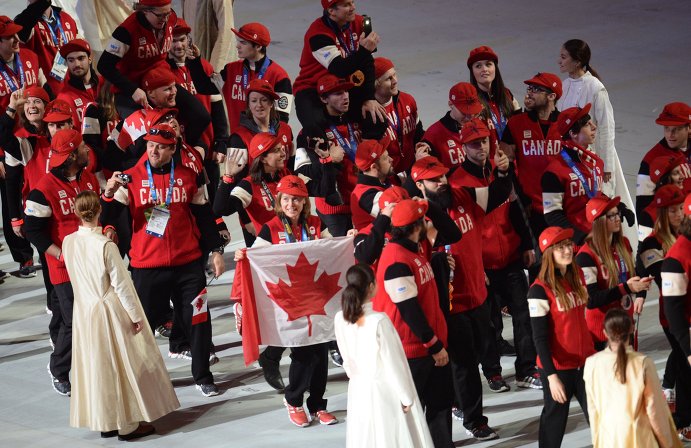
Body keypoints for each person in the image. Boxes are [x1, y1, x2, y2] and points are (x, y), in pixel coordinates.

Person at [101, 122, 225, 397]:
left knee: (199, 319)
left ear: (173, 149)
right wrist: (108, 194)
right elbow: (106, 218)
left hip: (188, 263)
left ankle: (203, 375)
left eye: (160, 147)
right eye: (150, 145)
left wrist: (216, 250)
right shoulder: (130, 178)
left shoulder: (189, 175)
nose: (154, 151)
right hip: (147, 266)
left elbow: (204, 217)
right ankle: (138, 379)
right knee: (140, 327)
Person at [64, 191, 179, 441]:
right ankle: (128, 425)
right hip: (109, 311)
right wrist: (136, 316)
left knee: (97, 367)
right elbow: (122, 286)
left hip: (84, 312)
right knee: (122, 366)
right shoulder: (105, 245)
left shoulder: (68, 242)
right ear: (99, 211)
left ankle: (106, 421)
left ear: (76, 212)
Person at [235, 175, 340, 427]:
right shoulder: (270, 228)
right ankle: (293, 400)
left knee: (321, 353)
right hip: (290, 304)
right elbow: (257, 257)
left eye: (296, 199)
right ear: (279, 202)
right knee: (303, 353)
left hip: (317, 300)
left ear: (305, 202)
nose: (291, 204)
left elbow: (332, 250)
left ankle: (317, 405)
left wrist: (347, 238)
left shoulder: (316, 223)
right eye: (286, 199)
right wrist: (243, 255)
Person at [449, 117, 541, 389]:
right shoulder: (456, 182)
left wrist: (526, 244)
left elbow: (516, 209)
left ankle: (526, 368)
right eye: (475, 144)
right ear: (464, 147)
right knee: (489, 324)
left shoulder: (500, 170)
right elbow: (461, 233)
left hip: (511, 257)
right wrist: (474, 264)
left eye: (485, 141)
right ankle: (493, 372)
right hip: (482, 265)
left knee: (524, 314)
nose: (482, 148)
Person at [373, 198, 454, 448]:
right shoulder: (397, 260)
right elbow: (409, 310)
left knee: (440, 406)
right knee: (410, 416)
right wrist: (434, 345)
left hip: (427, 347)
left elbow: (453, 232)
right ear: (416, 227)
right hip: (414, 353)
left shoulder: (411, 251)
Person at [23, 128, 99, 396]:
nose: (87, 149)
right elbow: (32, 230)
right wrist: (60, 254)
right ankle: (59, 369)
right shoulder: (42, 190)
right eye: (82, 147)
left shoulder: (88, 178)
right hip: (64, 270)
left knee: (95, 319)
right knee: (73, 322)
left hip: (92, 264)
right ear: (71, 156)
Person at [335, 263, 434, 448]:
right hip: (385, 392)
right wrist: (406, 396)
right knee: (390, 438)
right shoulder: (379, 321)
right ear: (371, 287)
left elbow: (345, 357)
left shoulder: (340, 318)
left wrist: (356, 377)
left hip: (358, 389)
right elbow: (394, 363)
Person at [557, 39, 636, 247]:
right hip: (570, 158)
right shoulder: (564, 86)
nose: (559, 61)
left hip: (594, 159)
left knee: (600, 206)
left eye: (564, 57)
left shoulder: (596, 88)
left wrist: (607, 165)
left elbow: (607, 129)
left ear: (577, 61)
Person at [528, 226, 595, 447]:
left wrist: (624, 289)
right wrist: (551, 376)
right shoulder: (538, 290)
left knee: (599, 418)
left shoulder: (577, 278)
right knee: (554, 423)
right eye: (560, 248)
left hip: (585, 363)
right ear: (549, 254)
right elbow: (539, 338)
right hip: (559, 368)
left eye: (568, 245)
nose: (567, 250)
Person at [583, 309, 681, 448]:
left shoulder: (592, 363)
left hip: (608, 438)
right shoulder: (642, 362)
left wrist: (597, 441)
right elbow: (655, 410)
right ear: (631, 330)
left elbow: (593, 410)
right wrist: (668, 443)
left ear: (605, 333)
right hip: (640, 438)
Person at [293, 0, 384, 140]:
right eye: (347, 5)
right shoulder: (318, 34)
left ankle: (367, 158)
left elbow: (368, 64)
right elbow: (339, 68)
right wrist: (364, 51)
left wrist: (369, 98)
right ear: (331, 11)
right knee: (314, 127)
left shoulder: (360, 23)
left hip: (344, 86)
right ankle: (325, 160)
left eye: (353, 2)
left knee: (375, 117)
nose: (353, 7)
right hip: (312, 87)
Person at [187, 21, 292, 134]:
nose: (237, 45)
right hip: (237, 144)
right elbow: (204, 87)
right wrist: (194, 62)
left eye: (243, 42)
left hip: (265, 145)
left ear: (258, 46)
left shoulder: (279, 76)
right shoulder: (231, 69)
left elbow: (282, 120)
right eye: (238, 41)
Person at [576, 193, 651, 350]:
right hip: (603, 332)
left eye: (618, 213)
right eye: (611, 216)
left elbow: (634, 273)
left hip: (626, 322)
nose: (618, 219)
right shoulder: (585, 256)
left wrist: (641, 292)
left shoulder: (623, 243)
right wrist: (626, 288)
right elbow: (591, 299)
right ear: (600, 222)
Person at [637, 185, 687, 414]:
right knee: (683, 357)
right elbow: (656, 274)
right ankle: (681, 419)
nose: (678, 214)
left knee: (680, 356)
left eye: (680, 209)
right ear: (662, 213)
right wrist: (640, 294)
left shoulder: (685, 234)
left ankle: (668, 387)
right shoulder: (651, 243)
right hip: (673, 312)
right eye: (672, 211)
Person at [501, 72, 563, 240]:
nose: (529, 92)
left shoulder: (567, 124)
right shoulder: (516, 124)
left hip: (562, 209)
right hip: (530, 209)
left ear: (551, 96)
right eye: (529, 88)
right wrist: (521, 198)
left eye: (536, 89)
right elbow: (506, 166)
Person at [542, 104, 605, 246]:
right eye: (587, 124)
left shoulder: (596, 163)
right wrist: (580, 237)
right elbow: (552, 215)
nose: (594, 126)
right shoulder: (554, 172)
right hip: (575, 246)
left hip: (599, 236)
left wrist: (618, 207)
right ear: (573, 133)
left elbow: (595, 194)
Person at [636, 102, 691, 241]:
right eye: (667, 129)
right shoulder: (651, 160)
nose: (670, 135)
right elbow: (643, 207)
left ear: (689, 128)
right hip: (672, 234)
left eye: (676, 129)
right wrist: (645, 244)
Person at [661, 193, 691, 441]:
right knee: (685, 375)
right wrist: (688, 349)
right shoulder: (676, 257)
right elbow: (673, 310)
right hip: (687, 329)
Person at [370, 56, 426, 174]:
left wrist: (423, 146)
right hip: (388, 176)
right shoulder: (371, 114)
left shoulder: (407, 100)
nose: (395, 81)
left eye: (394, 75)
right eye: (388, 78)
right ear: (376, 84)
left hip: (413, 169)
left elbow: (418, 132)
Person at [14, 0, 79, 94]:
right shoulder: (25, 22)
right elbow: (23, 23)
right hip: (48, 95)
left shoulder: (66, 18)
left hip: (74, 90)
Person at [421, 82, 482, 171]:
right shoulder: (433, 135)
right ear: (451, 104)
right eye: (464, 112)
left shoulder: (480, 126)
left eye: (472, 112)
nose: (469, 117)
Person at [467, 45, 519, 144]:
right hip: (487, 158)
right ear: (472, 71)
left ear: (495, 67)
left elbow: (519, 125)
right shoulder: (470, 100)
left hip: (512, 157)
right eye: (478, 66)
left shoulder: (506, 94)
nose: (484, 69)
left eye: (488, 64)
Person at [55, 38, 101, 130]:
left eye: (81, 58)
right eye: (71, 60)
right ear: (67, 63)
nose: (76, 64)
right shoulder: (63, 98)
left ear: (90, 59)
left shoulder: (105, 85)